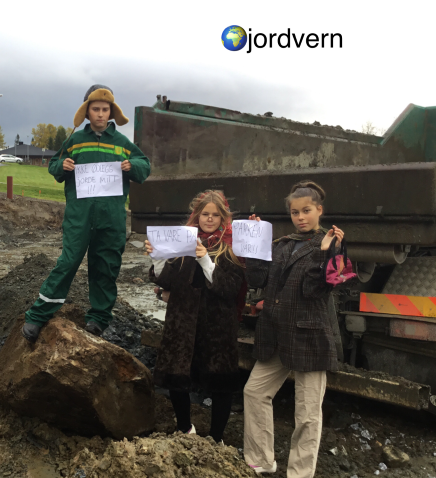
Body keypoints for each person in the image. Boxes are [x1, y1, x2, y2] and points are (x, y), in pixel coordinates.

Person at [21, 84, 151, 342]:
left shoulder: (123, 143)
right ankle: (39, 315)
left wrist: (131, 165)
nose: (101, 114)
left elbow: (144, 166)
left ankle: (98, 319)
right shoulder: (75, 140)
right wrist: (64, 165)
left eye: (105, 110)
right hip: (79, 217)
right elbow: (54, 165)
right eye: (96, 109)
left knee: (105, 266)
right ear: (87, 112)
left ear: (111, 113)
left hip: (111, 219)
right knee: (68, 262)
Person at [243, 181, 348, 477]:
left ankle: (300, 473)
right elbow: (257, 279)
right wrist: (255, 243)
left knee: (307, 414)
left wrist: (326, 253)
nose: (300, 217)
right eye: (294, 212)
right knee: (254, 392)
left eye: (306, 211)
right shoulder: (283, 244)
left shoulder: (333, 246)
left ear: (319, 210)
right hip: (275, 334)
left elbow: (321, 288)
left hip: (309, 337)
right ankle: (261, 461)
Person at [145, 190, 246, 443]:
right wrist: (158, 257)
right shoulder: (182, 242)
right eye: (205, 214)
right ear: (197, 216)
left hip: (217, 325)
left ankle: (216, 437)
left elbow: (229, 288)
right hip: (184, 322)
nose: (209, 219)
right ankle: (184, 429)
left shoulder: (230, 248)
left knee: (220, 383)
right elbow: (166, 280)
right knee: (177, 377)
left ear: (223, 218)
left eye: (215, 215)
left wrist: (205, 260)